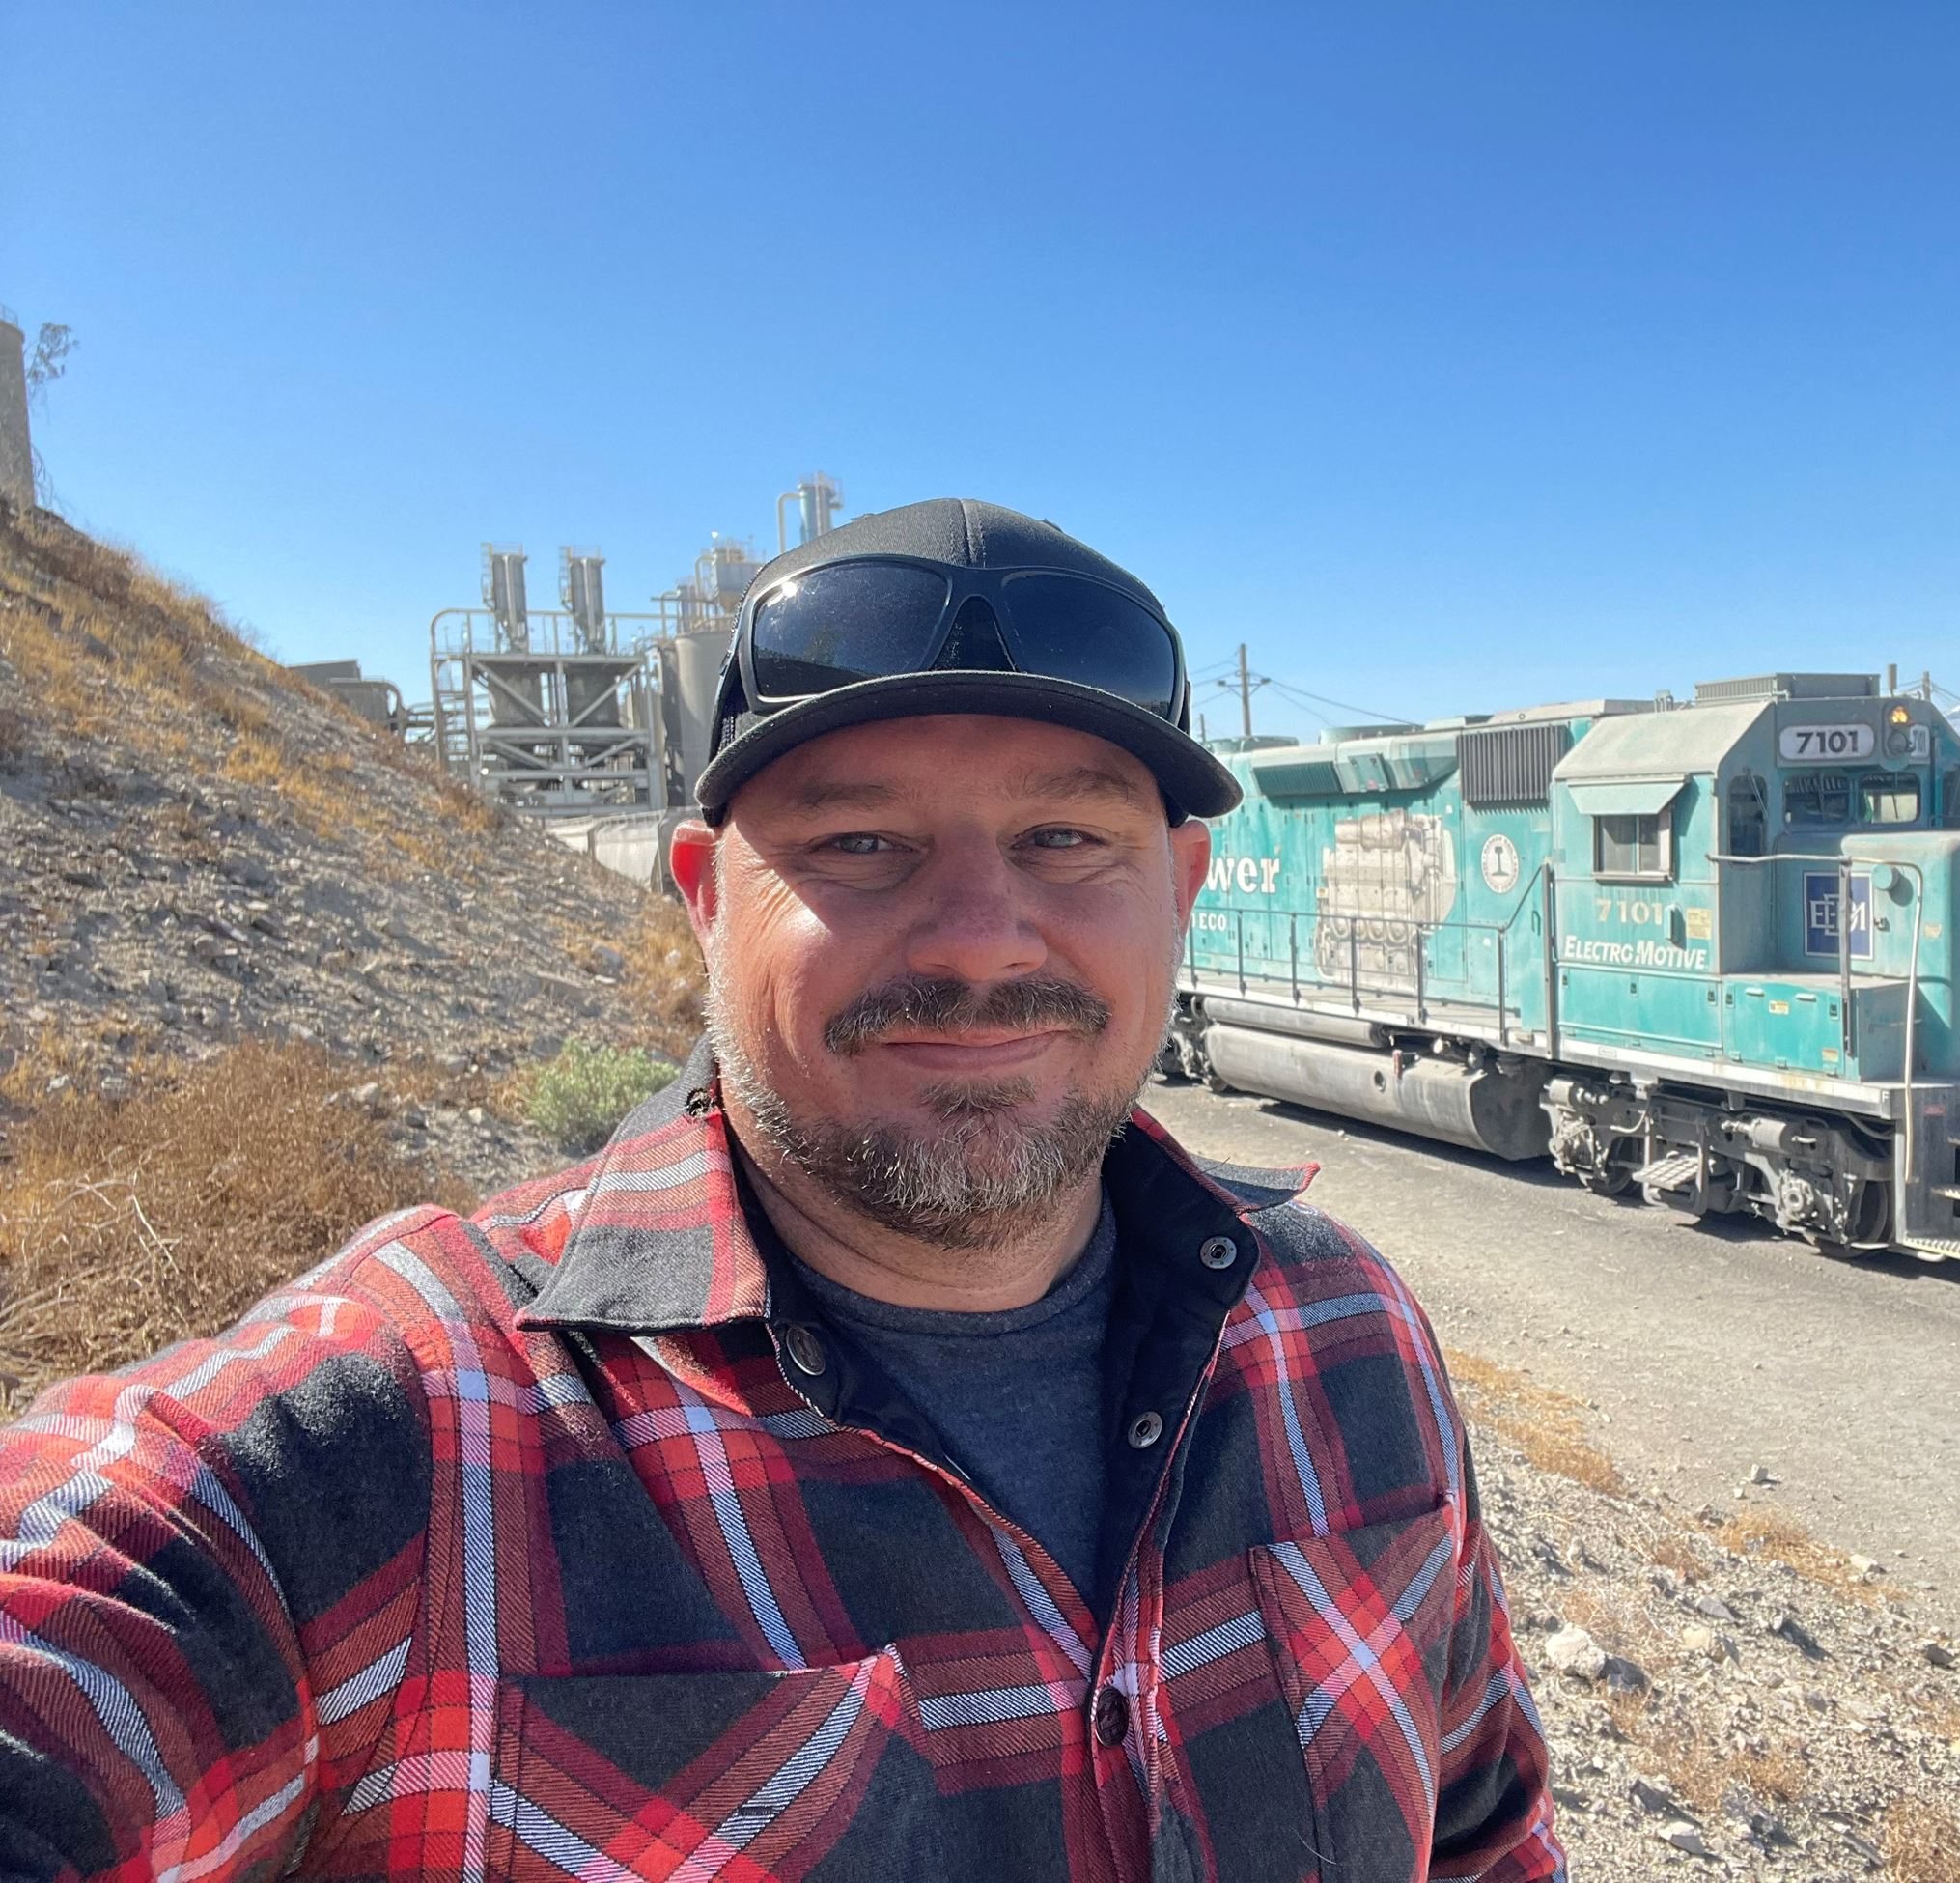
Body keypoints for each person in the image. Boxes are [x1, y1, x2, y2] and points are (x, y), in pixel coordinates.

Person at [0, 499, 1559, 1881]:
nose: (979, 935)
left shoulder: (1350, 1342)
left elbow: (1487, 1830)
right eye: (862, 841)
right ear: (700, 901)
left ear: (1183, 892)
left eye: (1065, 836)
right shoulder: (393, 1448)